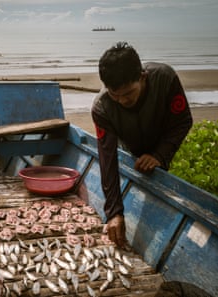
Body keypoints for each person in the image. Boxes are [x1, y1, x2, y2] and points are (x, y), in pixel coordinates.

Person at [91, 42, 193, 249]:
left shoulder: (165, 79)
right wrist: (114, 213)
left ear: (142, 77)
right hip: (131, 143)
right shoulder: (102, 108)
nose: (121, 101)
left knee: (158, 173)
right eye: (114, 94)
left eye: (128, 93)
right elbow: (107, 159)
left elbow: (182, 121)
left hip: (161, 138)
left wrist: (160, 155)